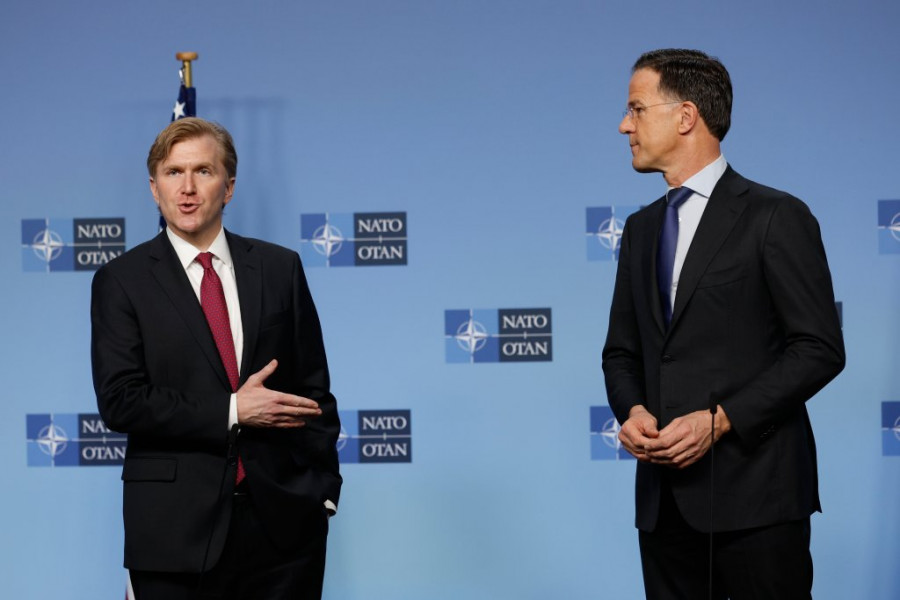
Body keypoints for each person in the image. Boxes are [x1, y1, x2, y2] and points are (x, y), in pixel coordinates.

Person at [602, 49, 845, 599]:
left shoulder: (775, 215)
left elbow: (818, 347)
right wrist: (633, 410)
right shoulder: (640, 230)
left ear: (685, 116)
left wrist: (721, 420)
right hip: (664, 509)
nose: (624, 126)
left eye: (636, 109)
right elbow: (621, 352)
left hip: (758, 500)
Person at [91, 117, 341, 600]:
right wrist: (233, 410)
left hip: (284, 531)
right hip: (172, 534)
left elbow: (313, 388)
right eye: (173, 172)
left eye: (203, 171)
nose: (187, 188)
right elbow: (121, 400)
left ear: (228, 187)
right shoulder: (121, 281)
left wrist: (322, 494)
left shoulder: (279, 267)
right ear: (154, 188)